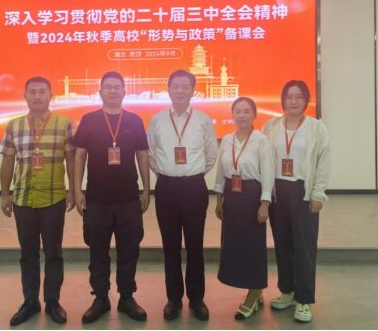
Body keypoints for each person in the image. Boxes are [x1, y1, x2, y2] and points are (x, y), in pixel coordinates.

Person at [73, 72, 151, 324]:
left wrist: (146, 189)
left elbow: (142, 155)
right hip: (97, 199)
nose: (113, 91)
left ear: (125, 92)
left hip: (128, 198)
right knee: (98, 251)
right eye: (108, 87)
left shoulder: (134, 120)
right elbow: (79, 156)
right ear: (100, 92)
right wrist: (77, 190)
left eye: (117, 87)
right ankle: (100, 297)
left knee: (129, 250)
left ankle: (127, 297)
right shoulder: (89, 120)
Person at [0, 76, 76, 327]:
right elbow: (8, 160)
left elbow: (72, 159)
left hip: (54, 197)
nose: (37, 96)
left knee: (54, 252)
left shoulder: (65, 124)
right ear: (25, 97)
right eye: (32, 92)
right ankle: (30, 302)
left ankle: (53, 301)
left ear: (51, 96)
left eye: (42, 92)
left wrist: (73, 191)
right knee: (28, 253)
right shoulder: (14, 125)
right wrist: (5, 194)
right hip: (23, 198)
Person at [147, 70, 218, 322]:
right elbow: (151, 154)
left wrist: (192, 174)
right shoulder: (157, 120)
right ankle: (174, 298)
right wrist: (167, 174)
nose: (179, 90)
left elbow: (211, 153)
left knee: (195, 246)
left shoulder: (203, 120)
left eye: (185, 86)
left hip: (194, 188)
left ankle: (197, 298)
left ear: (192, 91)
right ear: (168, 90)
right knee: (171, 247)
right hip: (166, 188)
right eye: (175, 86)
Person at [263, 80, 332, 323]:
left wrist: (318, 193)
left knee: (304, 247)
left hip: (303, 191)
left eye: (299, 96)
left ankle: (304, 299)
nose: (293, 101)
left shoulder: (316, 128)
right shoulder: (271, 126)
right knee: (282, 244)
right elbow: (264, 160)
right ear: (283, 100)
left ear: (307, 100)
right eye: (289, 97)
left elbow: (323, 161)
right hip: (277, 192)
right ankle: (288, 292)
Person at [215, 97, 275, 320]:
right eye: (237, 111)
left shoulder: (261, 141)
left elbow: (268, 173)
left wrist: (265, 203)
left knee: (253, 246)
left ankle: (253, 292)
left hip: (252, 197)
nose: (241, 115)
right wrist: (219, 198)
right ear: (232, 114)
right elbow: (221, 171)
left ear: (254, 115)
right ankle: (255, 291)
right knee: (236, 245)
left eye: (246, 111)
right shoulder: (227, 140)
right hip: (232, 197)